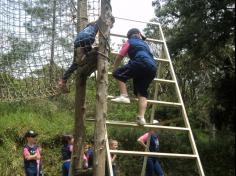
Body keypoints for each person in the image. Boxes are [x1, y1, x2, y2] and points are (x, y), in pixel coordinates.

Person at [111, 28, 157, 125]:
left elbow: (120, 56)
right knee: (142, 92)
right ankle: (141, 118)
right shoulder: (145, 45)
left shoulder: (130, 42)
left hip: (140, 62)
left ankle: (124, 95)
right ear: (139, 35)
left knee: (118, 73)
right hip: (152, 67)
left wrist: (114, 68)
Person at [58, 16, 115, 92]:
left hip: (78, 40)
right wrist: (110, 24)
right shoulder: (102, 21)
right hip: (88, 39)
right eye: (112, 23)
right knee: (91, 56)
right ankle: (80, 73)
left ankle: (63, 80)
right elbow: (104, 28)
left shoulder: (91, 24)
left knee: (76, 63)